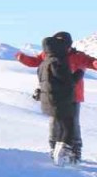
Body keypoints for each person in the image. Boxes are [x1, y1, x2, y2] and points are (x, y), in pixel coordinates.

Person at [16, 31, 96, 161]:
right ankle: (54, 149)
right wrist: (22, 57)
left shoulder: (78, 56)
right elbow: (35, 61)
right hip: (56, 96)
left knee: (73, 124)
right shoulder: (48, 54)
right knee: (54, 124)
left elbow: (91, 62)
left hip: (73, 96)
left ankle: (75, 152)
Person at [36, 35, 80, 165]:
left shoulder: (44, 62)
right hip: (60, 100)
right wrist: (79, 74)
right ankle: (62, 157)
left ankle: (58, 155)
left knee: (61, 127)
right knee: (68, 128)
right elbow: (68, 82)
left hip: (49, 100)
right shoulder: (58, 61)